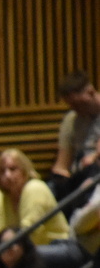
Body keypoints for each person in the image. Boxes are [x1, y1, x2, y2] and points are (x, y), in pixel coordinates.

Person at [52, 71, 100, 201]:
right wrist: (59, 175)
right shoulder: (72, 119)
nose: (75, 109)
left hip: (96, 173)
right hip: (79, 174)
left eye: (78, 104)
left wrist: (94, 157)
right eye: (71, 105)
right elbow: (62, 163)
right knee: (53, 187)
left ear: (90, 92)